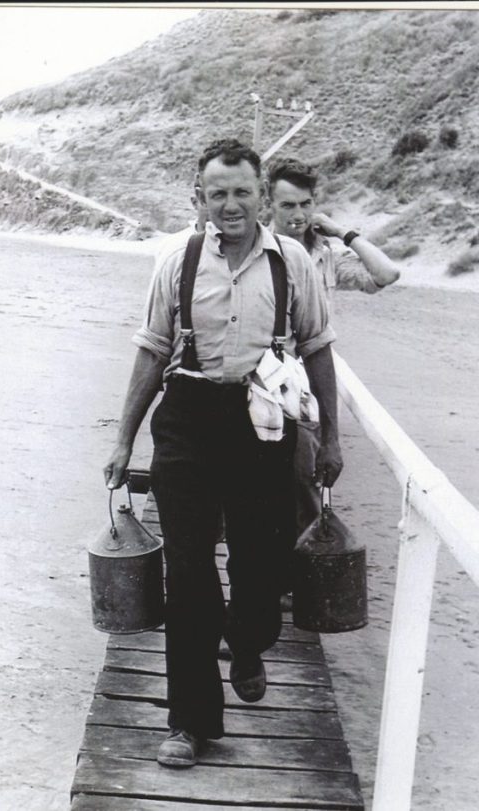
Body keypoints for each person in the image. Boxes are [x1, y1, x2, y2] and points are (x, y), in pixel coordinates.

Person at [104, 139, 343, 769]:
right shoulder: (175, 262)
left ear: (263, 195)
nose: (230, 205)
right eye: (218, 194)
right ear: (199, 198)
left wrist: (331, 437)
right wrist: (124, 437)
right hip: (187, 420)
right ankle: (189, 721)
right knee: (187, 573)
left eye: (242, 192)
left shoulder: (292, 262)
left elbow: (317, 350)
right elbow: (153, 350)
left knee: (259, 563)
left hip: (264, 424)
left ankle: (249, 639)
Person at [267, 157, 400, 535]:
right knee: (257, 492)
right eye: (287, 205)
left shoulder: (325, 255)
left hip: (308, 387)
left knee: (305, 484)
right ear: (270, 205)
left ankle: (300, 584)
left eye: (305, 204)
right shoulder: (257, 247)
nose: (297, 214)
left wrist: (344, 232)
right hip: (262, 384)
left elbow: (386, 274)